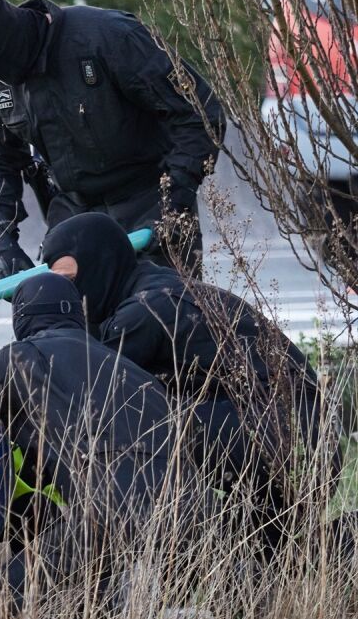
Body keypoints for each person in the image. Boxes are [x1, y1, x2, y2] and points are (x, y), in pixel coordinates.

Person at [40, 212, 337, 550]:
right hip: (300, 442)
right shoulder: (158, 286)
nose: (69, 294)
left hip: (289, 445)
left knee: (135, 423)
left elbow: (89, 390)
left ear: (101, 266)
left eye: (70, 281)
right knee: (257, 555)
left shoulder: (144, 311)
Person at [0, 273, 204, 613]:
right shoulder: (124, 364)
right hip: (192, 505)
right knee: (105, 587)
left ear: (21, 318)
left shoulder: (22, 357)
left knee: (1, 593)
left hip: (110, 509)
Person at [0, 0, 226, 278]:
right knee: (55, 305)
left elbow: (199, 113)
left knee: (159, 304)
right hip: (73, 214)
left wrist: (174, 202)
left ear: (4, 33)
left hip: (149, 202)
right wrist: (3, 241)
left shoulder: (108, 37)